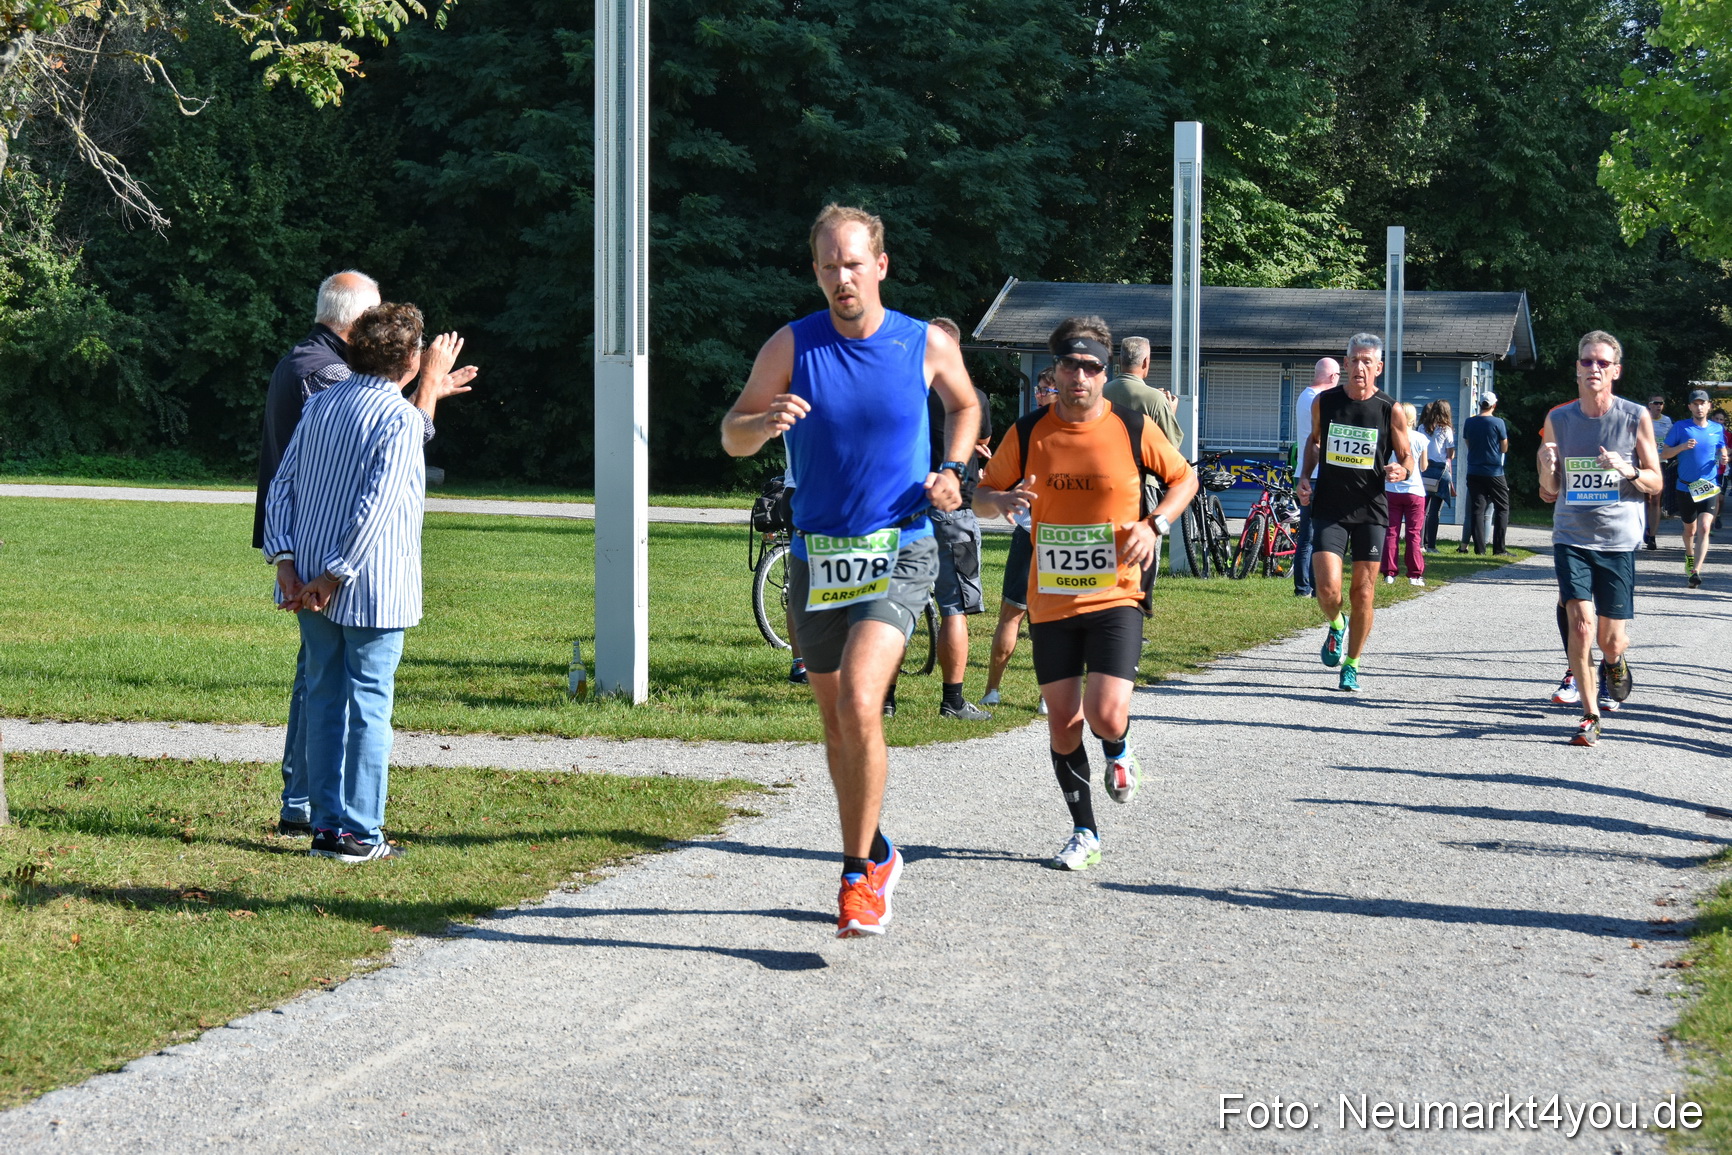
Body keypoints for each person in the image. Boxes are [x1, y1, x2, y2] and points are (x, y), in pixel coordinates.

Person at [720, 203, 981, 938]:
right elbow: (731, 435)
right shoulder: (791, 345)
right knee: (837, 724)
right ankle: (880, 849)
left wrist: (952, 470)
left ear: (881, 267)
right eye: (829, 266)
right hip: (817, 558)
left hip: (900, 545)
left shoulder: (922, 342)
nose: (842, 278)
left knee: (864, 701)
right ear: (816, 271)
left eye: (854, 264)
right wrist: (762, 423)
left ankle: (856, 877)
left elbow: (966, 404)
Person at [253, 272, 474, 837]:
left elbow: (283, 486)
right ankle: (358, 831)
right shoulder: (400, 420)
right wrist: (335, 574)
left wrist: (286, 564)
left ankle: (325, 824)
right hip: (367, 587)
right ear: (409, 360)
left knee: (324, 702)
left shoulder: (322, 406)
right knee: (369, 707)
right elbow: (376, 509)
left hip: (306, 581)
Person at [976, 316, 1196, 871]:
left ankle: (1119, 749)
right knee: (1062, 721)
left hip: (1117, 591)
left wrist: (1156, 525)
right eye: (1070, 365)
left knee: (1104, 712)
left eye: (1092, 366)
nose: (1081, 376)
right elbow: (980, 494)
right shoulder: (1028, 433)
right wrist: (1000, 504)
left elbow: (1184, 479)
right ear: (1055, 370)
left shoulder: (1130, 427)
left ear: (1105, 370)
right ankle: (1084, 831)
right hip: (1050, 597)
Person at [1537, 330, 1660, 746]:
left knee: (1610, 640)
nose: (1594, 368)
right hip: (1571, 534)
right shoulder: (1559, 419)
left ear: (1616, 371)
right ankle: (1590, 715)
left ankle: (1616, 662)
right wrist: (1544, 466)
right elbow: (1549, 492)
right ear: (1577, 368)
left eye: (1602, 363)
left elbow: (1656, 481)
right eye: (1587, 361)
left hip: (1618, 539)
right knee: (1582, 624)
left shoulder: (1633, 416)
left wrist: (1628, 471)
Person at [1297, 334, 1411, 693]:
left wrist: (1402, 470)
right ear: (1344, 364)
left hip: (1371, 510)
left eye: (1367, 362)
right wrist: (1304, 476)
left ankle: (1353, 663)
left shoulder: (1388, 408)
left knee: (1364, 593)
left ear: (1378, 368)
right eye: (1354, 360)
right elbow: (1314, 442)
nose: (1360, 368)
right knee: (1327, 590)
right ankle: (1336, 624)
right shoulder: (1325, 402)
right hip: (1330, 506)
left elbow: (1407, 456)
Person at [924, 316, 994, 720]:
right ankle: (952, 701)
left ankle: (886, 699)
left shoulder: (904, 394)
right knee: (955, 607)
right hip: (955, 509)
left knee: (897, 604)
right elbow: (981, 440)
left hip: (907, 509)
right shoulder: (974, 397)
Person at [981, 367, 1056, 716]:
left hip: (1046, 537)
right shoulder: (1035, 430)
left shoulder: (1030, 432)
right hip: (1040, 534)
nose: (1040, 395)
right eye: (1040, 389)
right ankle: (993, 691)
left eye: (1047, 390)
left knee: (1038, 620)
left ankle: (1039, 695)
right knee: (1018, 615)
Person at [1660, 388, 1729, 588]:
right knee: (1689, 531)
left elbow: (1721, 445)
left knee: (1705, 527)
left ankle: (1696, 571)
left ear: (1709, 406)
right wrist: (1681, 447)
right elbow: (1665, 454)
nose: (1699, 407)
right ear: (1690, 406)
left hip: (1708, 485)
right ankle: (1689, 555)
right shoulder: (1681, 427)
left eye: (1703, 403)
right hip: (1685, 487)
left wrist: (1723, 455)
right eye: (1695, 404)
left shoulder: (1717, 428)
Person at [1291, 358, 1341, 598]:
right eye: (1339, 376)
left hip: (1306, 472)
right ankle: (1305, 587)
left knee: (1309, 533)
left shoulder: (1305, 395)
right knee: (1312, 535)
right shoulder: (1317, 400)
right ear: (1333, 377)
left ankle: (1307, 586)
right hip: (1316, 474)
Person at [1381, 401, 1428, 585]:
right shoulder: (1420, 438)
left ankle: (1389, 572)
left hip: (1391, 489)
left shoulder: (1390, 436)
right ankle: (1415, 573)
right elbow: (1423, 466)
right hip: (1414, 490)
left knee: (1391, 531)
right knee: (1413, 533)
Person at [1458, 391, 1509, 554]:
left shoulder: (1469, 422)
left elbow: (1467, 442)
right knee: (1502, 508)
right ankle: (1499, 548)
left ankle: (1480, 550)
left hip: (1474, 470)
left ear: (1479, 404)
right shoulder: (1498, 422)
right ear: (1494, 405)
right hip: (1494, 471)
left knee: (1477, 510)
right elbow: (1504, 447)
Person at [1417, 399, 1456, 551]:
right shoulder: (1446, 430)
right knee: (1435, 511)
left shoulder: (1421, 427)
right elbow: (1450, 454)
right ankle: (1431, 544)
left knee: (1422, 509)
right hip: (1440, 471)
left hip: (1425, 469)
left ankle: (1420, 543)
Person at [1646, 394, 1675, 546]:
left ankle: (1652, 536)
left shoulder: (1667, 421)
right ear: (1649, 405)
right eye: (1655, 403)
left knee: (1656, 499)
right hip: (1643, 463)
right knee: (1644, 499)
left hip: (1660, 462)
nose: (1658, 406)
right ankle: (1643, 527)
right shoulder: (1642, 417)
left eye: (1661, 403)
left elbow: (1672, 440)